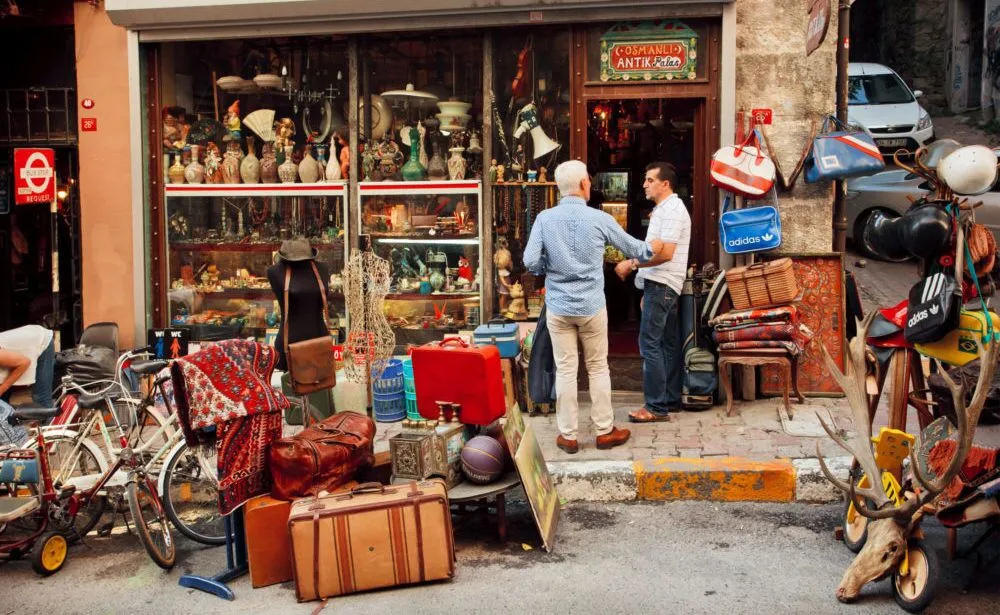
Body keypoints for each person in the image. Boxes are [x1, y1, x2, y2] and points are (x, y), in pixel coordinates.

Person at [523, 160, 664, 454]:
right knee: (598, 367)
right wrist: (655, 247)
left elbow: (531, 261)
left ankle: (568, 436)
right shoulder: (599, 218)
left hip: (559, 307)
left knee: (565, 369)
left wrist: (551, 268)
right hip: (591, 306)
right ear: (584, 184)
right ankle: (604, 431)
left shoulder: (545, 219)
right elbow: (635, 249)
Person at [616, 162, 691, 423]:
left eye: (650, 180)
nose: (645, 185)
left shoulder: (671, 210)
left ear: (665, 184)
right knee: (666, 343)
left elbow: (666, 253)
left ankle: (656, 407)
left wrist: (632, 263)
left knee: (650, 343)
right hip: (661, 284)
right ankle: (669, 400)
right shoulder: (665, 209)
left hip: (662, 284)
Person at [0, 324, 56, 408]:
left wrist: (1, 390)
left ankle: (49, 415)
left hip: (40, 340)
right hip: (23, 345)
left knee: (41, 397)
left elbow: (24, 363)